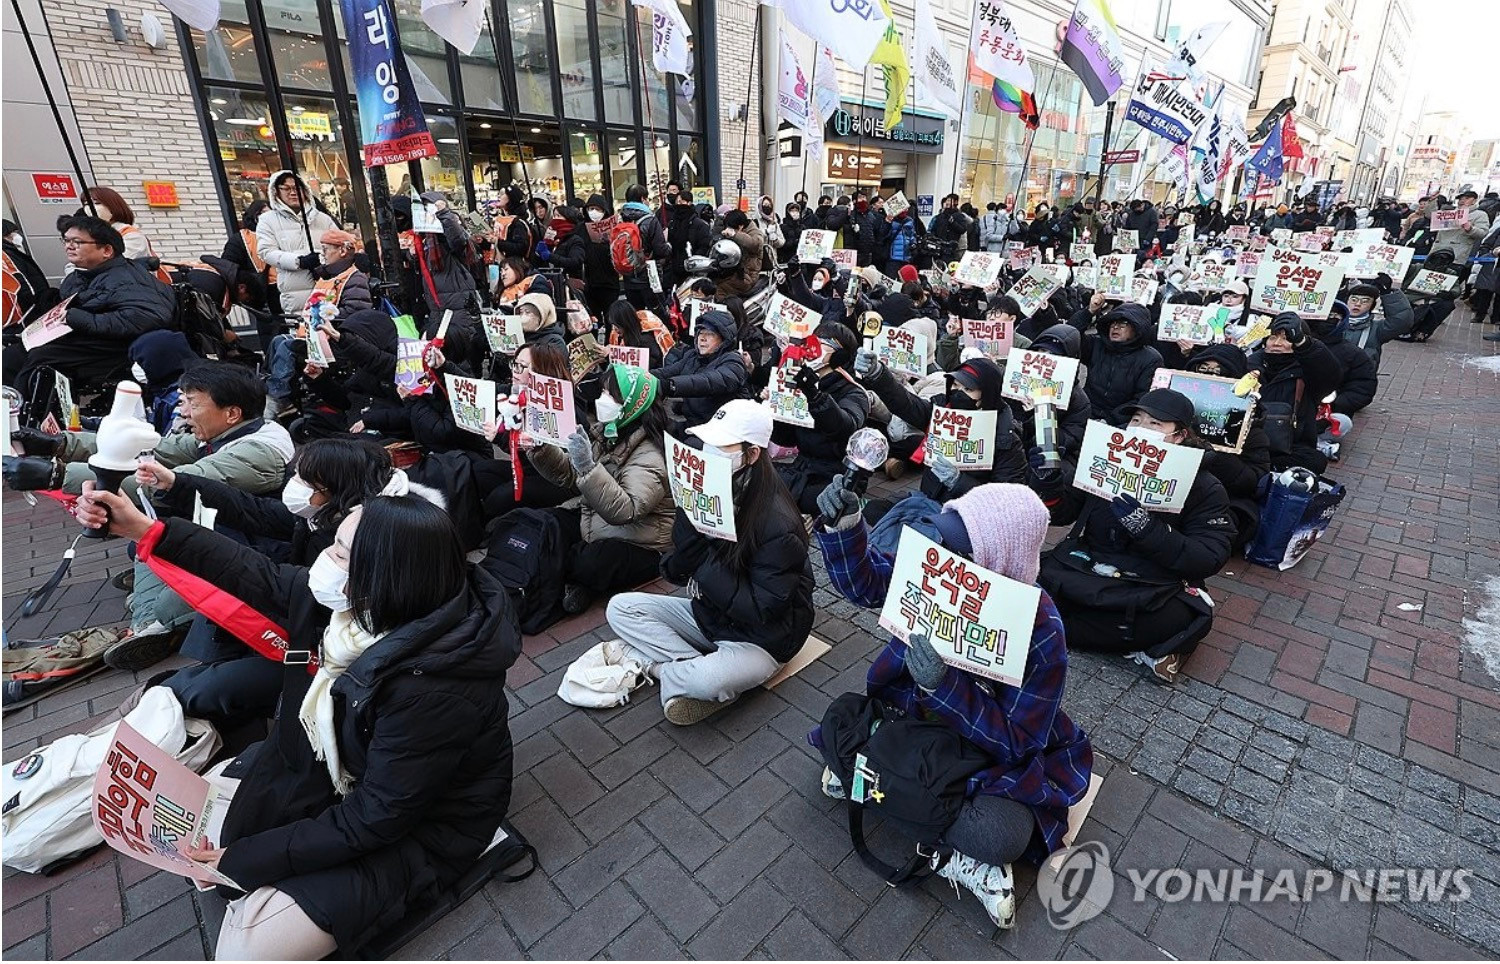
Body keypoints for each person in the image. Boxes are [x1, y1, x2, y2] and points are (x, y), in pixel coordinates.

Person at [75, 488, 520, 961]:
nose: (325, 558)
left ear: (384, 576)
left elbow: (376, 817)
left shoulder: (434, 687)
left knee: (245, 949)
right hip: (342, 778)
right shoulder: (354, 608)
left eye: (341, 552)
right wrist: (146, 530)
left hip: (428, 828)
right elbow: (251, 571)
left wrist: (245, 861)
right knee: (204, 831)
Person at [810, 481, 1094, 928]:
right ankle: (892, 792)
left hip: (979, 751)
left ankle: (938, 837)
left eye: (961, 553)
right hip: (908, 715)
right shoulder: (936, 576)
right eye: (945, 540)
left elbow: (1017, 742)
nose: (944, 561)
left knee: (1002, 833)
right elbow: (866, 585)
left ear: (1000, 563)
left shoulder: (1040, 630)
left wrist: (946, 688)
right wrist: (846, 526)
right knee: (837, 727)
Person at [604, 399, 814, 724]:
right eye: (707, 442)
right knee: (620, 608)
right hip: (711, 615)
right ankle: (687, 668)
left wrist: (700, 560)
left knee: (708, 679)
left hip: (762, 639)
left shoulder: (777, 523)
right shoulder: (707, 488)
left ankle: (662, 668)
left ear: (752, 453)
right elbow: (677, 568)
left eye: (721, 445)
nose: (708, 451)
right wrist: (686, 538)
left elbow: (761, 610)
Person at [1029, 388, 1235, 683]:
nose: (1140, 430)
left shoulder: (1203, 485)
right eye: (1136, 420)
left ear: (1179, 436)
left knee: (1182, 616)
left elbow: (1208, 556)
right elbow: (1063, 514)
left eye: (1155, 425)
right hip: (1090, 565)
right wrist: (1049, 481)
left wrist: (1147, 528)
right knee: (1031, 580)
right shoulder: (1107, 461)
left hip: (1150, 582)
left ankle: (1060, 628)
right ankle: (1094, 632)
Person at [527, 364, 673, 615]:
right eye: (603, 392)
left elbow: (626, 510)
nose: (601, 400)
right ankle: (572, 583)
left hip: (643, 542)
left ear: (631, 403)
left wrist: (587, 466)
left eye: (609, 394)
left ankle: (575, 584)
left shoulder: (652, 453)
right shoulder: (610, 432)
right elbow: (573, 475)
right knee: (547, 524)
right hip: (596, 520)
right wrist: (541, 448)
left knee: (592, 561)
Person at [5, 216, 177, 418]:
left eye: (77, 242)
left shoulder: (128, 278)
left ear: (106, 250)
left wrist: (81, 319)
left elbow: (148, 317)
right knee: (12, 355)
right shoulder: (80, 276)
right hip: (85, 339)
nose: (69, 247)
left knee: (39, 359)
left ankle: (24, 420)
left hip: (116, 348)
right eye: (66, 241)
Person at [854, 349, 1026, 507]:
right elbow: (907, 405)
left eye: (968, 389)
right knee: (875, 510)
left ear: (988, 393)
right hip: (929, 501)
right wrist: (878, 375)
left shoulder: (1006, 439)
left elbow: (1003, 500)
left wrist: (959, 482)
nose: (958, 392)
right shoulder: (942, 409)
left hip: (966, 518)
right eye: (955, 385)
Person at [771, 322, 869, 514]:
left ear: (839, 354)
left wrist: (815, 397)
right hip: (802, 467)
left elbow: (846, 428)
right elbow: (786, 439)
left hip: (837, 475)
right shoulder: (802, 383)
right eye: (810, 342)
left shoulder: (854, 392)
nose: (812, 348)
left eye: (821, 344)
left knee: (792, 500)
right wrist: (776, 407)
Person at [1180, 345, 1270, 551]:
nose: (1210, 377)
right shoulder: (1174, 415)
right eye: (1203, 370)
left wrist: (1217, 453)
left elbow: (1254, 481)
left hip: (1221, 498)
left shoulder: (1250, 428)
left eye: (1218, 372)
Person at [1246, 312, 1344, 472]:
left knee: (1313, 462)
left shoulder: (1308, 373)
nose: (1277, 343)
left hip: (1290, 448)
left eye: (1286, 338)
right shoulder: (1249, 366)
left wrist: (1304, 343)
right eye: (1272, 337)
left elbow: (1331, 373)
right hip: (1248, 443)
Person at [257, 171, 338, 316]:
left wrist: (323, 260)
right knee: (303, 332)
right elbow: (266, 252)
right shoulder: (267, 220)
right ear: (276, 192)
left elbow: (339, 243)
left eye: (297, 188)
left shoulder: (322, 218)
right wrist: (298, 261)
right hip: (294, 291)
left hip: (325, 285)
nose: (293, 193)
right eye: (286, 189)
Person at [654, 309, 750, 429]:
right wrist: (640, 375)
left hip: (722, 430)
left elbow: (707, 381)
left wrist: (669, 386)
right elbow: (666, 372)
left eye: (710, 334)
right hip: (695, 423)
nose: (702, 338)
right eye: (700, 333)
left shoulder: (734, 363)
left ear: (724, 339)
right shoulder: (692, 356)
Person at [1082, 303, 1161, 419]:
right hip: (1086, 411)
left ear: (1137, 328)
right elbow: (1069, 335)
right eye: (1113, 322)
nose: (1115, 327)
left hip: (1121, 421)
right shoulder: (1096, 345)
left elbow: (1141, 399)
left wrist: (1110, 421)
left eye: (1123, 323)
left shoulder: (1151, 359)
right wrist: (1089, 312)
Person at [618, 184, 671, 309]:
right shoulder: (650, 220)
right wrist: (668, 245)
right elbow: (660, 250)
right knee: (657, 313)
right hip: (649, 276)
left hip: (628, 276)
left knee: (636, 315)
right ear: (643, 199)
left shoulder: (620, 220)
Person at [1339, 275, 1411, 367]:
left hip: (1361, 377)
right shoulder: (1334, 324)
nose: (1357, 304)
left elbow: (1402, 321)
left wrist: (1388, 294)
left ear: (1372, 306)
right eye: (1354, 300)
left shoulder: (1376, 329)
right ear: (1347, 301)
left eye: (1365, 301)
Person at [80, 186, 155, 264]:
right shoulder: (91, 235)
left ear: (113, 206)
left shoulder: (132, 236)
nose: (91, 208)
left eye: (97, 203)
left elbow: (113, 264)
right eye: (87, 204)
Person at [1429, 190, 1492, 276]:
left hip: (1456, 257)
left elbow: (1483, 233)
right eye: (1460, 199)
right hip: (1436, 253)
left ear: (1474, 200)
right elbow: (1430, 216)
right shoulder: (1448, 213)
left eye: (1466, 198)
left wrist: (1470, 229)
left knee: (1445, 283)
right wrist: (1432, 201)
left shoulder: (1480, 214)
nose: (1462, 201)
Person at [666, 192, 713, 286]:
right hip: (673, 270)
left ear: (689, 203)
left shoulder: (700, 225)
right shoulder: (672, 223)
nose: (678, 205)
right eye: (677, 202)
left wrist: (692, 262)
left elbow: (704, 246)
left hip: (692, 271)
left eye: (681, 202)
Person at [715, 210, 764, 299]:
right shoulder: (734, 231)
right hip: (732, 272)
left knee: (720, 289)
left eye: (732, 228)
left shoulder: (755, 232)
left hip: (747, 276)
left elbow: (755, 244)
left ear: (740, 226)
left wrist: (735, 234)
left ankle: (725, 311)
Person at [753, 195, 784, 268]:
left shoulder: (774, 223)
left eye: (770, 205)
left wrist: (775, 239)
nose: (768, 207)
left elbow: (782, 242)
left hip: (773, 260)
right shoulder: (755, 222)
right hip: (760, 260)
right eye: (765, 205)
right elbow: (755, 240)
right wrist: (766, 232)